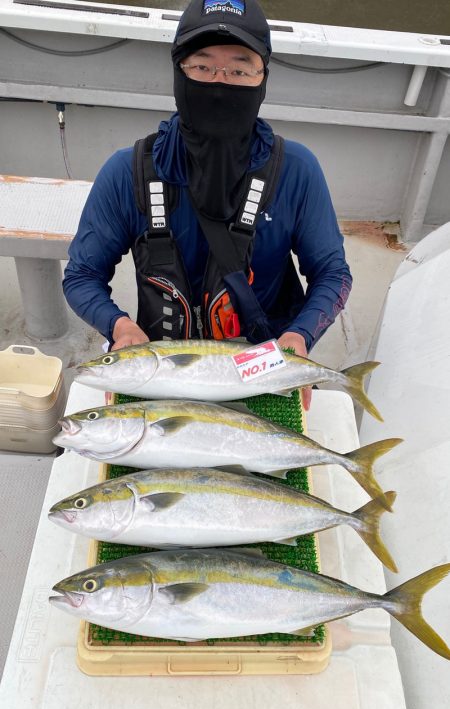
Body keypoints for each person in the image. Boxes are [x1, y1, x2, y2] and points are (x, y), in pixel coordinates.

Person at [63, 0, 352, 411]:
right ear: (178, 73)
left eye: (239, 69)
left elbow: (332, 273)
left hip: (264, 362)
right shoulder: (125, 173)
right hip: (162, 361)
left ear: (263, 79)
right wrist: (120, 327)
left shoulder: (297, 170)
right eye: (202, 67)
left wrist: (300, 336)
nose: (220, 83)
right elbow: (81, 276)